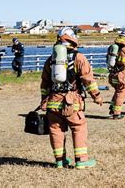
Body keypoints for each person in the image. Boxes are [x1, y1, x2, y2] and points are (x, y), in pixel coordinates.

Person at [39, 27, 103, 169]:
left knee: (55, 130)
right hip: (71, 102)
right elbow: (88, 80)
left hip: (53, 102)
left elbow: (45, 83)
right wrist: (97, 96)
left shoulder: (51, 60)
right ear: (73, 39)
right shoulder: (79, 58)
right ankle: (81, 160)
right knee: (78, 127)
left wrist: (44, 100)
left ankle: (60, 161)